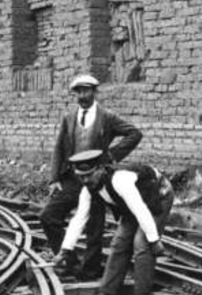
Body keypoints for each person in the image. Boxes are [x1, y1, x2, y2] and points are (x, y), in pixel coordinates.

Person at [39, 74, 142, 279]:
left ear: (94, 92)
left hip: (97, 178)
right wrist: (54, 178)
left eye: (86, 91)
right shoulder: (69, 117)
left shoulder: (107, 117)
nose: (82, 96)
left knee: (94, 228)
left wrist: (111, 156)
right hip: (71, 178)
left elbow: (134, 133)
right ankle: (69, 261)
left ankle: (90, 271)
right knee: (48, 217)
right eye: (78, 92)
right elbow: (59, 147)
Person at [54, 150, 173, 295]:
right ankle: (107, 291)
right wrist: (65, 250)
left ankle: (142, 292)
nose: (85, 181)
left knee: (142, 244)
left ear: (100, 169)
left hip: (158, 196)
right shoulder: (88, 190)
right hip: (133, 205)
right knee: (119, 243)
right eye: (81, 177)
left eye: (88, 175)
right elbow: (79, 219)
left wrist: (154, 240)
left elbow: (139, 209)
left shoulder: (119, 180)